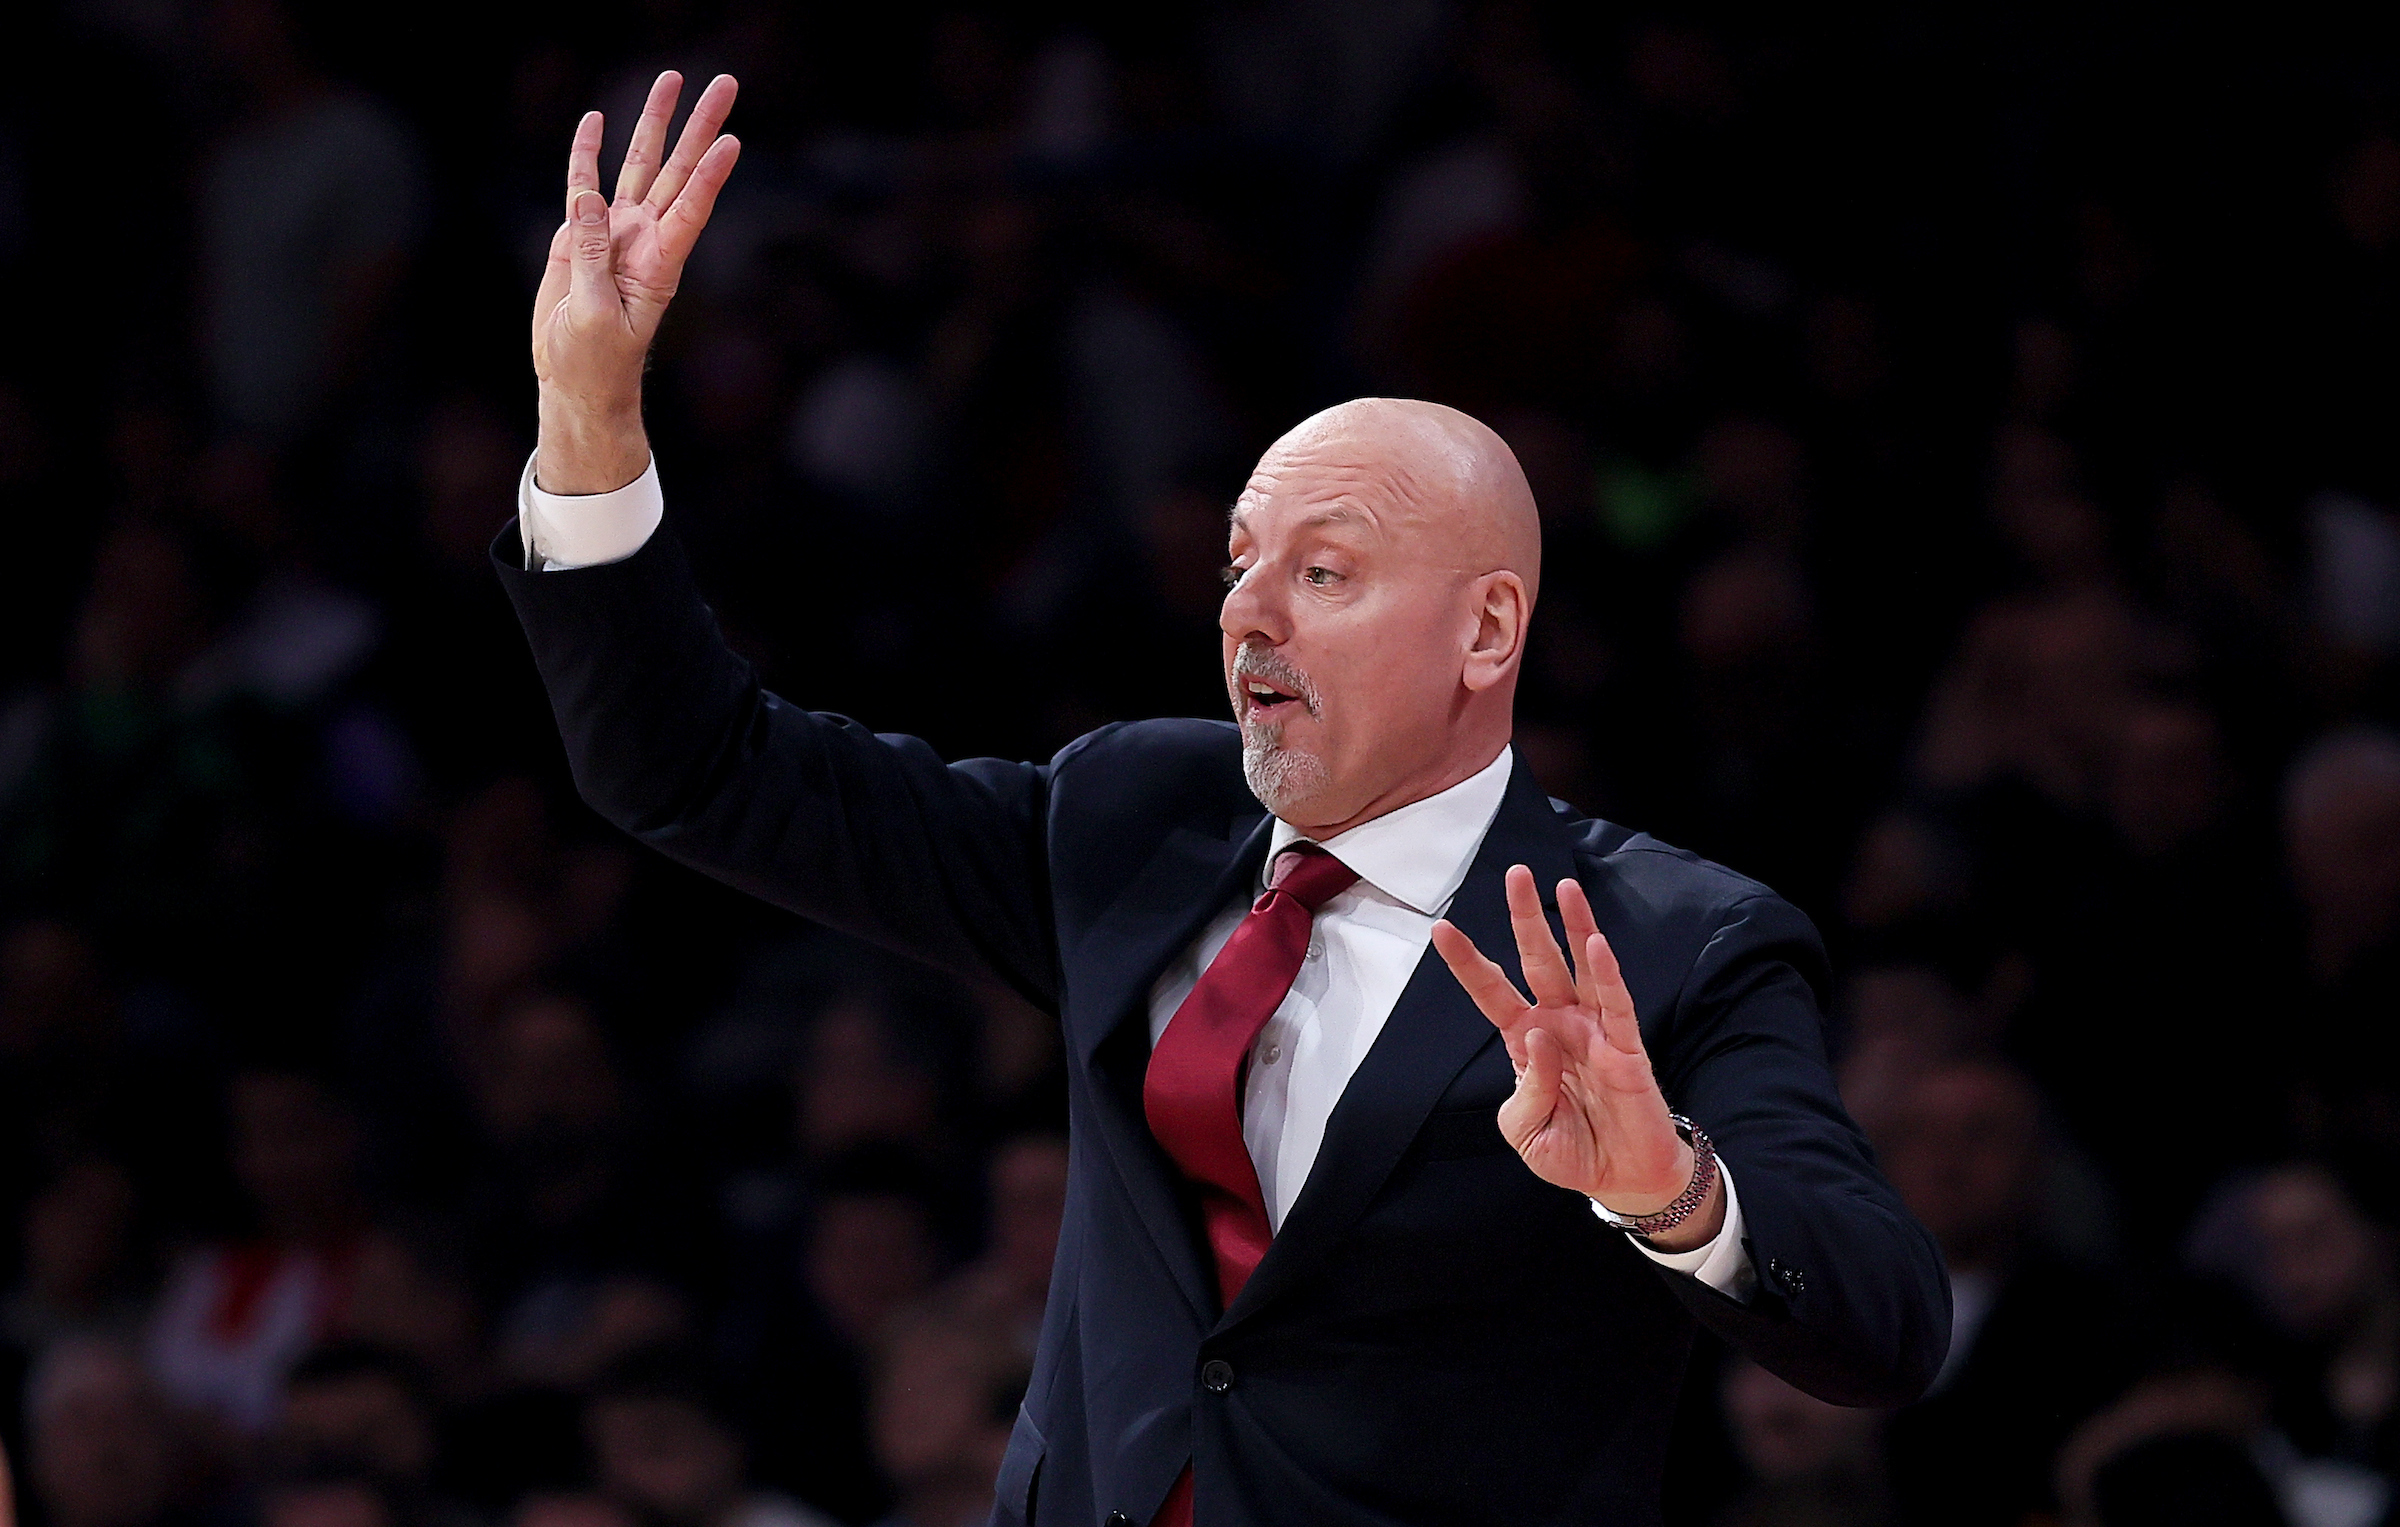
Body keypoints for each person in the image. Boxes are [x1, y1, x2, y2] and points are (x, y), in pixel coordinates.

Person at [494, 72, 1947, 1527]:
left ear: (1488, 632)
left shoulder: (1673, 941)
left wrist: (1670, 1194)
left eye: (1323, 573)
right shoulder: (1130, 819)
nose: (1252, 613)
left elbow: (1883, 1323)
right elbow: (697, 772)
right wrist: (589, 413)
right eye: (1242, 565)